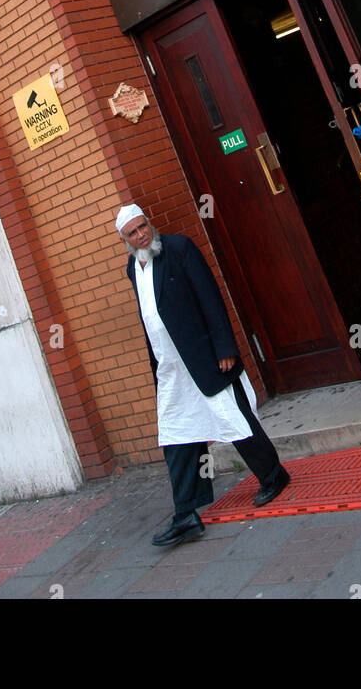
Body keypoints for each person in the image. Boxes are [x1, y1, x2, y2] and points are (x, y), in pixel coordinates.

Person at [117, 202, 291, 548]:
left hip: (203, 356)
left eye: (143, 226)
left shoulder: (179, 248)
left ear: (149, 224)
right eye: (133, 233)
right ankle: (186, 514)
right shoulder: (131, 267)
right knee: (176, 434)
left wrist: (225, 346)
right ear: (125, 240)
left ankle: (274, 475)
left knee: (234, 417)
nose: (141, 234)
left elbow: (210, 297)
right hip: (170, 367)